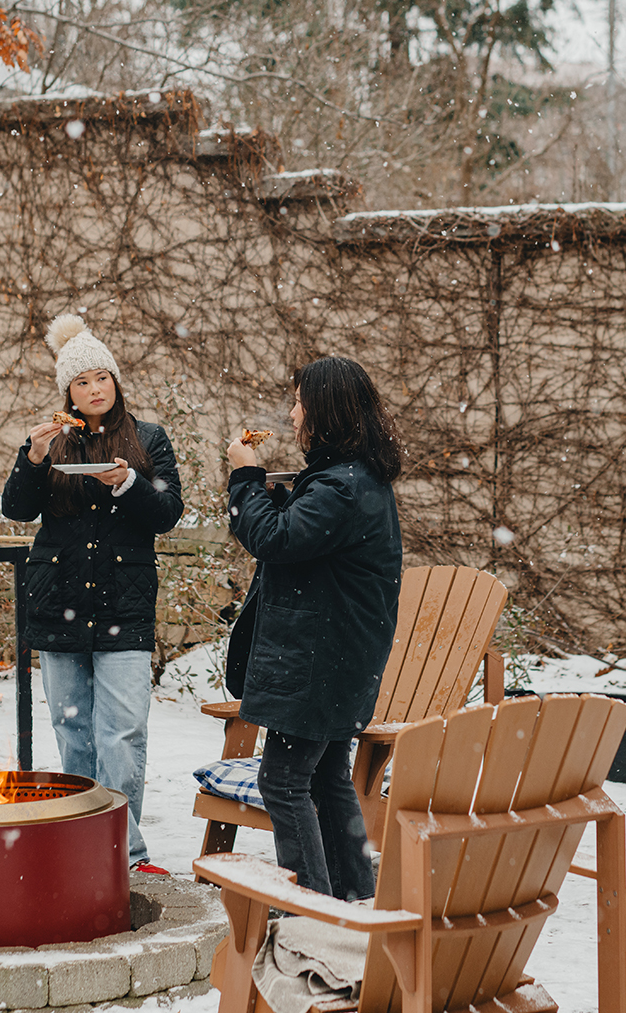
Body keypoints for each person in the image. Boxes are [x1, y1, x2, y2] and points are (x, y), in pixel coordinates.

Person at [1, 313, 183, 873]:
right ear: (68, 392)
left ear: (115, 381)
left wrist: (127, 483)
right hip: (58, 601)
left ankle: (124, 853)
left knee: (122, 733)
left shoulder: (149, 439)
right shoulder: (51, 441)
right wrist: (32, 458)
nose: (94, 389)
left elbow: (168, 512)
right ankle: (79, 846)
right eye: (81, 382)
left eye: (101, 377)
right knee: (72, 731)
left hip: (123, 606)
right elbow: (16, 509)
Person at [225, 356, 403, 902]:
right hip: (338, 661)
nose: (293, 413)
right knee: (325, 779)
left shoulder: (341, 486)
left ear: (324, 411)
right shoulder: (349, 477)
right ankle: (353, 901)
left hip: (317, 665)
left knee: (281, 782)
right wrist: (282, 497)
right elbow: (305, 542)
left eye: (299, 401)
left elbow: (275, 542)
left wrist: (245, 478)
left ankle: (310, 916)